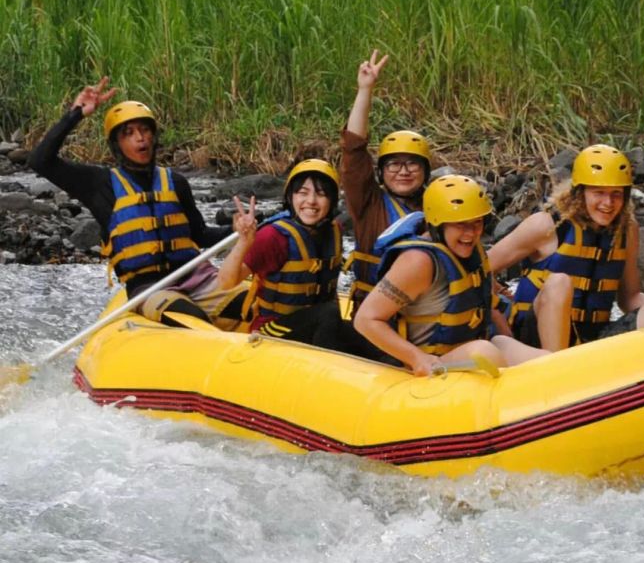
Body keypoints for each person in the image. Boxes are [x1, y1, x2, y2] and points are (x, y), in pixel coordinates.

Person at [27, 77, 249, 330]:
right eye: (129, 133)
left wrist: (236, 230)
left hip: (199, 278)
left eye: (144, 130)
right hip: (149, 289)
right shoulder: (99, 184)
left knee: (255, 304)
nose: (140, 138)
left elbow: (199, 235)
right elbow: (40, 161)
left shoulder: (175, 182)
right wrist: (76, 113)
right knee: (190, 317)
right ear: (117, 144)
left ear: (153, 136)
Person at [488, 144, 644, 351]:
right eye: (598, 192)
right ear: (579, 192)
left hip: (594, 338)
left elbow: (630, 298)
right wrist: (500, 318)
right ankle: (555, 370)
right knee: (559, 282)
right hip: (535, 339)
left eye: (616, 194)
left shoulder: (626, 231)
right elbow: (478, 270)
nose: (608, 202)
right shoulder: (546, 225)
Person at [354, 174, 548, 376]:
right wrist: (416, 358)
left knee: (543, 360)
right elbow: (366, 319)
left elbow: (485, 302)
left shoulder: (471, 249)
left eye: (477, 223)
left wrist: (507, 332)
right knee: (485, 351)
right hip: (432, 367)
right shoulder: (418, 262)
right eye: (460, 224)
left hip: (471, 352)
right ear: (438, 224)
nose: (471, 233)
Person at [216, 159, 347, 347]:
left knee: (360, 333)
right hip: (272, 330)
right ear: (290, 198)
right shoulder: (273, 236)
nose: (311, 201)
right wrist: (243, 242)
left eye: (321, 194)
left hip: (316, 324)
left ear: (332, 201)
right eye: (302, 193)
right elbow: (226, 282)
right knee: (329, 312)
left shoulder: (335, 230)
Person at [341, 49, 431, 314]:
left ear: (425, 171)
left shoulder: (437, 206)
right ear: (381, 172)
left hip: (424, 314)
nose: (403, 171)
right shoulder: (368, 203)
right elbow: (354, 149)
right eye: (394, 164)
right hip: (374, 315)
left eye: (412, 163)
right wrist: (365, 90)